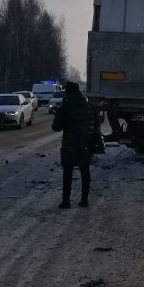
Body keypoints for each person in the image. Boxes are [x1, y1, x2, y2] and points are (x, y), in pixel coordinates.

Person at [51, 81, 97, 209]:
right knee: (85, 171)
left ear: (68, 92)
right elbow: (96, 125)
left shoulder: (65, 107)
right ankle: (84, 200)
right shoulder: (89, 106)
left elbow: (56, 127)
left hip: (69, 144)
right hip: (86, 144)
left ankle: (66, 201)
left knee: (68, 173)